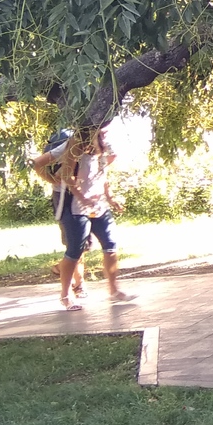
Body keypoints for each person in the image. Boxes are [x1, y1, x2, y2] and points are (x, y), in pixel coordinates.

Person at [49, 126, 131, 310]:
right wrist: (82, 197)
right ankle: (65, 295)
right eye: (103, 128)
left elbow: (102, 176)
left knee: (111, 246)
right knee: (75, 251)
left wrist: (110, 198)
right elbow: (66, 175)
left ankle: (114, 290)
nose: (107, 130)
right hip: (77, 207)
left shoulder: (105, 146)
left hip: (99, 205)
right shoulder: (76, 145)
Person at [30, 128, 86, 301]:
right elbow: (37, 163)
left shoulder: (91, 144)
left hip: (81, 196)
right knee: (74, 244)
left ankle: (75, 280)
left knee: (81, 244)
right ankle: (75, 284)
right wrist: (51, 179)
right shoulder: (67, 145)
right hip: (64, 197)